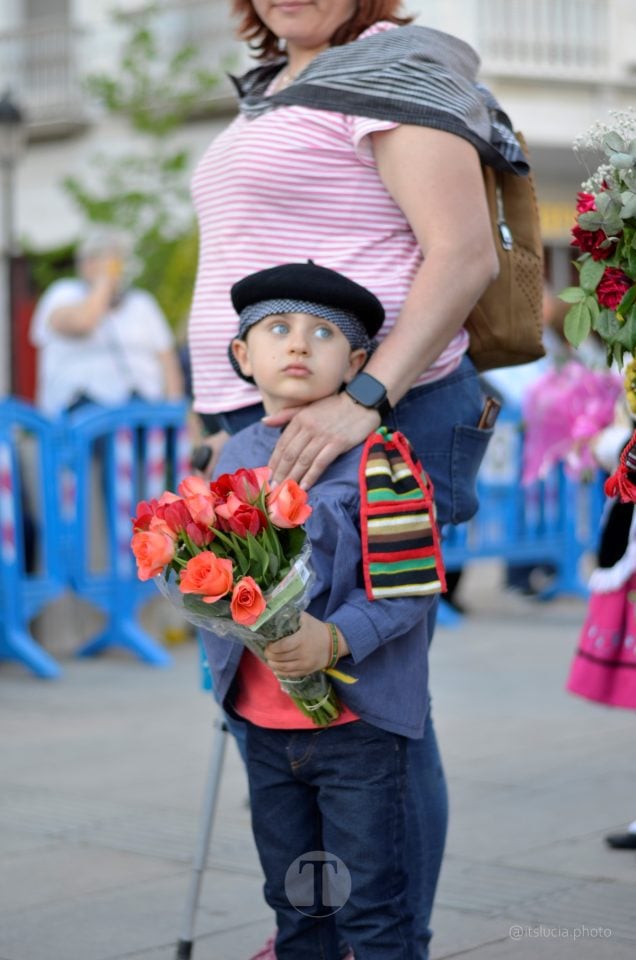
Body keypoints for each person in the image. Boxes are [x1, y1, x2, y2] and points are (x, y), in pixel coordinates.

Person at [188, 2, 529, 955]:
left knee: (370, 700)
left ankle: (384, 936)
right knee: (277, 679)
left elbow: (459, 252)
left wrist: (367, 397)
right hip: (268, 425)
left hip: (364, 409)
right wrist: (219, 419)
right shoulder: (273, 89)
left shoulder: (393, 62)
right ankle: (318, 921)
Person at [203, 261, 446, 959]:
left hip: (358, 732)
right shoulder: (233, 460)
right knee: (297, 904)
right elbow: (199, 569)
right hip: (264, 728)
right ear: (245, 357)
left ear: (360, 362)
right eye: (277, 329)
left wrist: (334, 640)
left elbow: (410, 583)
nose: (299, 345)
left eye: (323, 333)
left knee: (371, 907)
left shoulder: (382, 457)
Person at [30, 230, 183, 416]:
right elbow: (84, 323)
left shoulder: (142, 303)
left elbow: (167, 360)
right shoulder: (62, 293)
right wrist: (103, 281)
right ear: (87, 264)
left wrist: (174, 413)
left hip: (140, 412)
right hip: (79, 415)